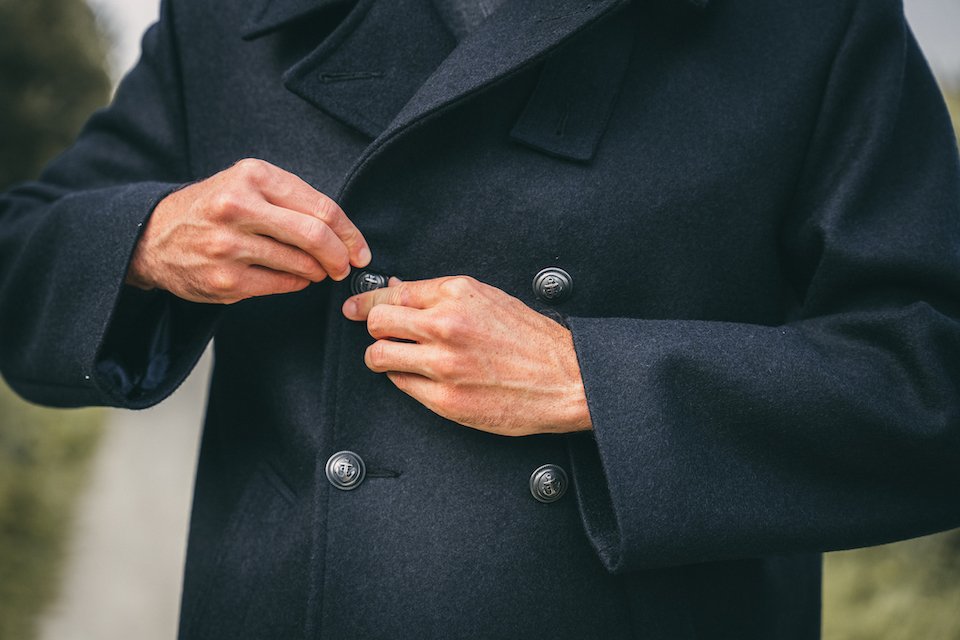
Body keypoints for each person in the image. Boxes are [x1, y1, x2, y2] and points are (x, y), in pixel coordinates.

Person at [1, 0, 959, 637]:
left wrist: (595, 382)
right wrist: (146, 240)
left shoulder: (811, 23)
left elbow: (932, 381)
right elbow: (20, 261)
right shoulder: (227, 16)